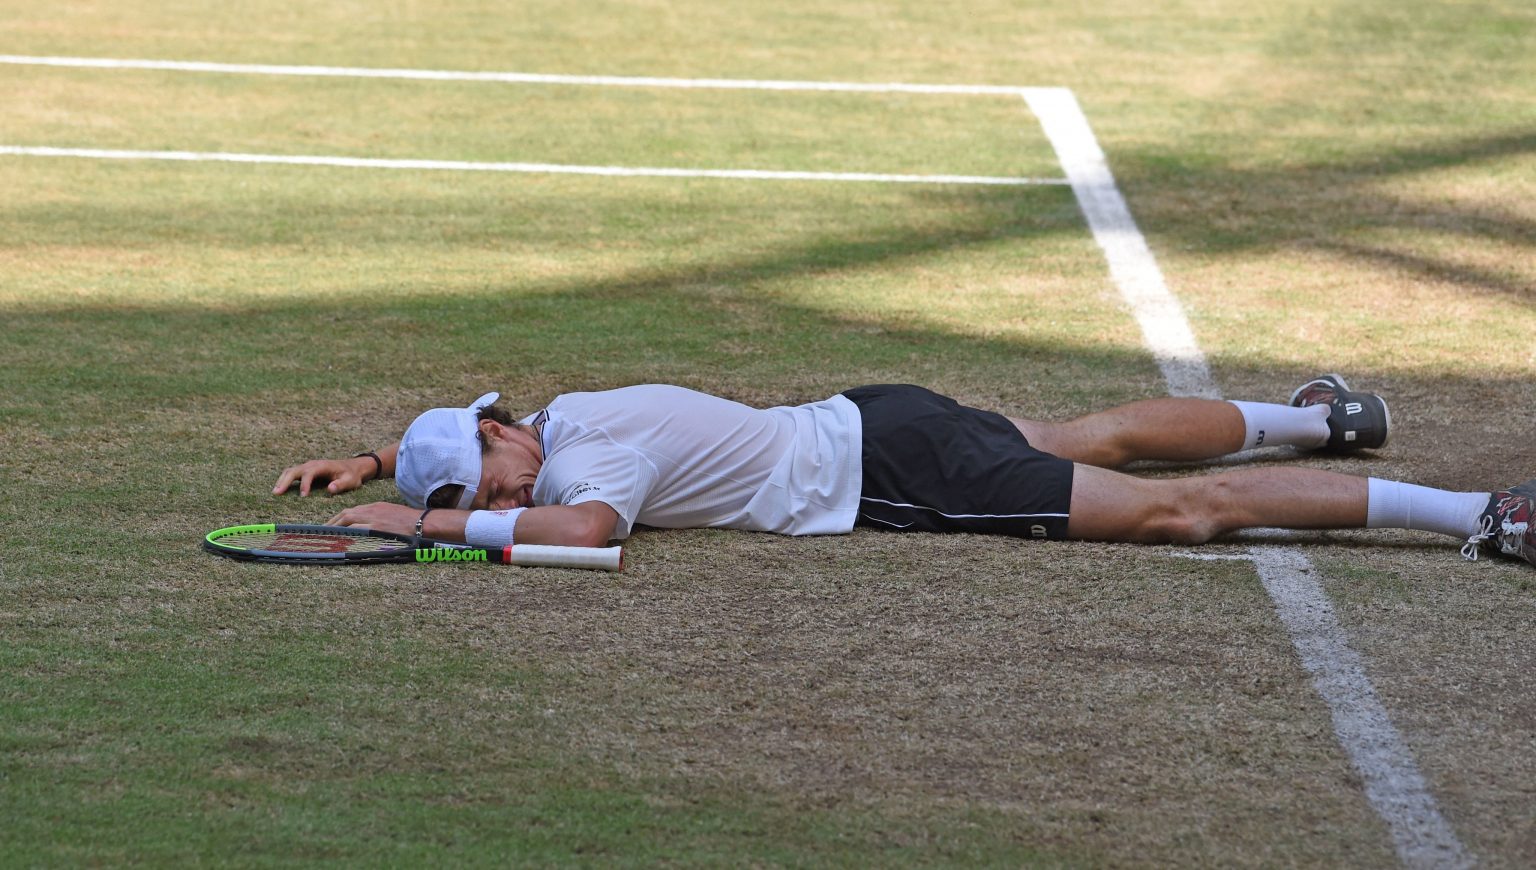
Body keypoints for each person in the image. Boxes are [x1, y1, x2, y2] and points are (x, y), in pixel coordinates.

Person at [272, 376, 1535, 567]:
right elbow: (499, 446)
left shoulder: (594, 457)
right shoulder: (558, 411)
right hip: (885, 411)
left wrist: (431, 532)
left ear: (504, 440)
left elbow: (594, 534)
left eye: (485, 486)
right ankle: (1322, 416)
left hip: (892, 473)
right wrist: (382, 458)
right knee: (1090, 438)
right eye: (474, 504)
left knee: (1177, 514)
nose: (498, 502)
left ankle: (1485, 511)